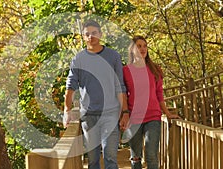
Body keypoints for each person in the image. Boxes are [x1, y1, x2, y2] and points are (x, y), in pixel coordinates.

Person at [63, 20, 128, 169]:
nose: (91, 37)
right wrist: (67, 110)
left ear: (100, 34)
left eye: (94, 33)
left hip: (111, 113)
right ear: (83, 37)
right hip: (89, 115)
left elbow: (120, 86)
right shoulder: (78, 59)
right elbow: (71, 85)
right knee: (93, 160)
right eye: (87, 34)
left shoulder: (113, 56)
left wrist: (125, 112)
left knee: (110, 157)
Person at [119, 35, 180, 169]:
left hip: (153, 116)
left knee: (151, 155)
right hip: (134, 118)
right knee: (136, 157)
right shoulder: (125, 71)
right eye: (139, 46)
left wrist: (168, 114)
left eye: (145, 46)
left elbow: (159, 94)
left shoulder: (155, 69)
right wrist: (124, 114)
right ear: (132, 50)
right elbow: (122, 94)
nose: (143, 49)